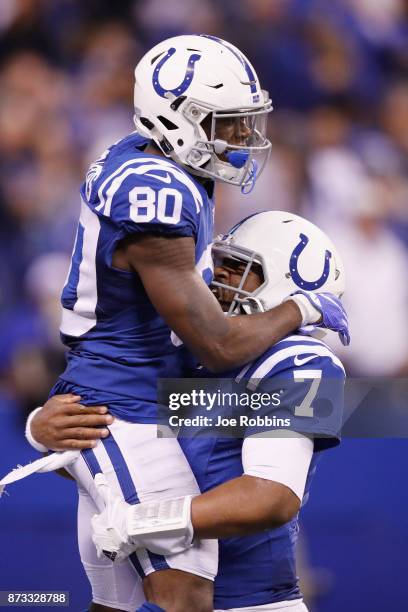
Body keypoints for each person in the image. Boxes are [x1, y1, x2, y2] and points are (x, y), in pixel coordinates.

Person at [27, 211, 348, 612]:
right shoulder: (187, 351)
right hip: (152, 588)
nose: (218, 276)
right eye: (221, 263)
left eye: (239, 268)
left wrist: (141, 521)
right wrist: (45, 432)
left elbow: (272, 496)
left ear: (289, 287)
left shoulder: (299, 360)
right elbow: (119, 461)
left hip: (248, 602)